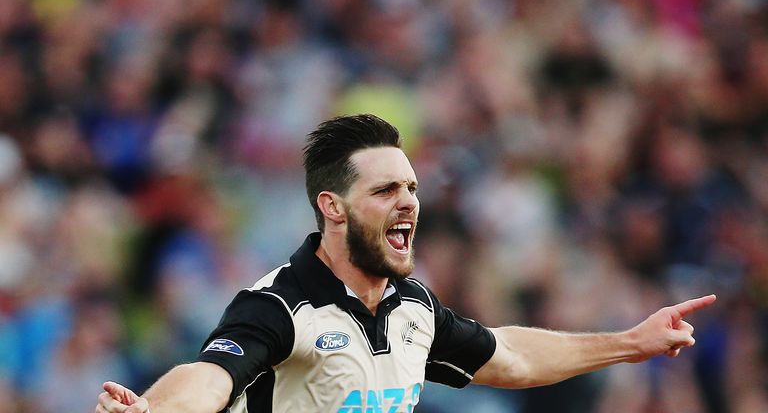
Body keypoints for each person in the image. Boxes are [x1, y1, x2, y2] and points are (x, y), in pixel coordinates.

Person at [95, 114, 716, 413]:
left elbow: (512, 357)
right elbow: (210, 377)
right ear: (332, 208)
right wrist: (149, 412)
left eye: (412, 188)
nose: (409, 203)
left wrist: (629, 343)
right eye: (386, 191)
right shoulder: (280, 306)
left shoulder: (411, 307)